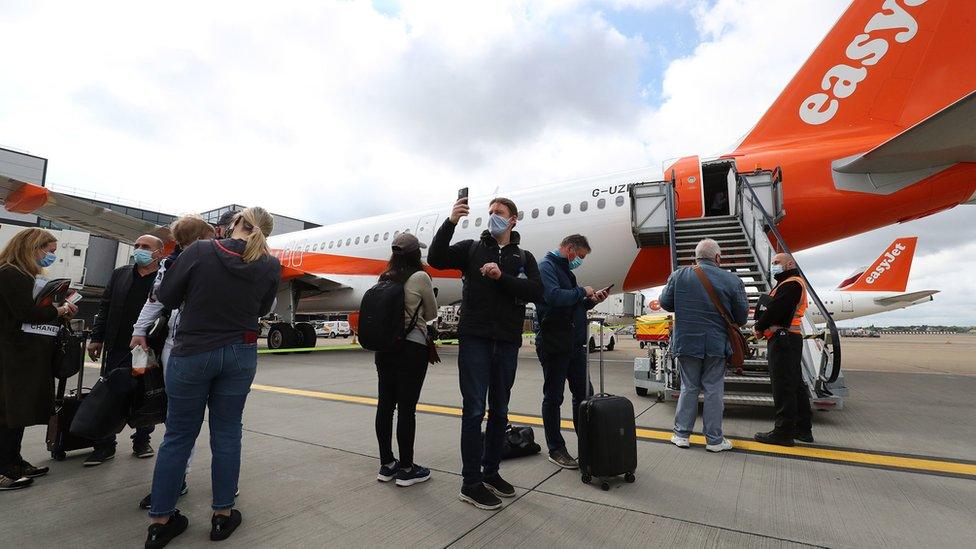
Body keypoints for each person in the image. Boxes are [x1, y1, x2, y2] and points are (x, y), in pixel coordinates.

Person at [145, 207, 280, 548]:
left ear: (235, 224)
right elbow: (264, 309)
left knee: (178, 435)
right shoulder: (269, 264)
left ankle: (161, 520)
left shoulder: (201, 250)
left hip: (194, 350)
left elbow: (167, 296)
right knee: (228, 433)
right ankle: (222, 515)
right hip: (240, 352)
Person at [427, 196, 542, 511]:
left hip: (506, 341)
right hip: (475, 338)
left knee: (501, 411)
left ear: (513, 220)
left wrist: (500, 277)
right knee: (474, 411)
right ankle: (471, 482)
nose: (493, 217)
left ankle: (491, 472)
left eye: (500, 213)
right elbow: (436, 258)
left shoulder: (524, 257)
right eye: (490, 213)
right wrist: (451, 222)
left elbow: (535, 291)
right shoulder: (471, 249)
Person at [130, 215, 215, 510]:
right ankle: (221, 482)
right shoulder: (179, 263)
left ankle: (175, 482)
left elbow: (155, 300)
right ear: (209, 234)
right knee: (221, 423)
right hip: (203, 345)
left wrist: (139, 330)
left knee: (179, 421)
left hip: (183, 345)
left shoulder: (174, 262)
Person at [0, 228, 78, 491]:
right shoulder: (12, 274)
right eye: (50, 251)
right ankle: (4, 467)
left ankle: (13, 460)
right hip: (13, 353)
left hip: (21, 352)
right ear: (33, 247)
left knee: (17, 411)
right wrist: (59, 309)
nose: (51, 257)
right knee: (9, 412)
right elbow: (26, 312)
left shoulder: (20, 274)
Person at [660, 238, 747, 453]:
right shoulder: (732, 280)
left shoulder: (679, 275)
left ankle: (681, 435)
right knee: (713, 390)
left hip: (687, 342)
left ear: (696, 257)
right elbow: (742, 317)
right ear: (718, 257)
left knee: (688, 387)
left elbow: (665, 303)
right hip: (716, 344)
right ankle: (714, 440)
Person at [85, 234, 165, 466]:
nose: (139, 249)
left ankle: (142, 440)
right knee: (110, 395)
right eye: (137, 245)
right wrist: (97, 337)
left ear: (158, 252)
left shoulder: (164, 277)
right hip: (119, 345)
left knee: (145, 394)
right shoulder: (120, 273)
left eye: (146, 247)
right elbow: (105, 305)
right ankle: (105, 445)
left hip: (146, 349)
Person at [534, 234, 608, 468]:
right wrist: (582, 291)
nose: (581, 261)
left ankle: (587, 443)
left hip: (574, 344)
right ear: (570, 249)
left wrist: (592, 300)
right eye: (581, 256)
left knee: (584, 394)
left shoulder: (565, 269)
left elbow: (572, 304)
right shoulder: (546, 267)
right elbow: (554, 297)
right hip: (555, 343)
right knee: (554, 397)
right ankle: (556, 448)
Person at [373, 233, 438, 487]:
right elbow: (431, 313)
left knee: (385, 406)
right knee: (406, 409)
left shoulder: (384, 277)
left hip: (385, 349)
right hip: (411, 348)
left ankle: (387, 464)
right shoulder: (420, 277)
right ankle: (408, 468)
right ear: (415, 254)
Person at [753, 252, 813, 446]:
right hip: (790, 339)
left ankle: (783, 432)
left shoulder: (791, 283)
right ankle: (802, 429)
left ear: (789, 264)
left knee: (783, 386)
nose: (774, 266)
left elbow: (776, 310)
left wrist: (759, 326)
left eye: (777, 263)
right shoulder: (791, 283)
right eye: (772, 263)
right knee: (795, 384)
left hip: (783, 340)